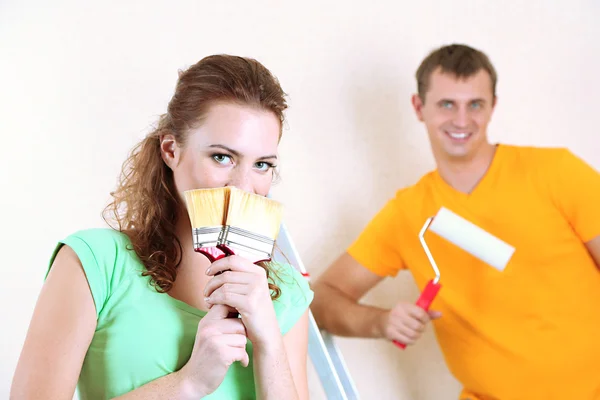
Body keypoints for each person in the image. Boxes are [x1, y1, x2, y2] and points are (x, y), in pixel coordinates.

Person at [11, 54, 313, 400]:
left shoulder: (286, 294)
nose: (244, 186)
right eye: (222, 157)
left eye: (262, 164)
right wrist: (190, 382)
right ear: (171, 150)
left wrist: (269, 341)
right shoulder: (96, 265)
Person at [310, 43, 600, 399]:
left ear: (493, 106)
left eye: (474, 104)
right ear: (419, 107)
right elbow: (321, 301)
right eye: (447, 104)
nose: (462, 120)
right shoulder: (409, 214)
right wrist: (381, 322)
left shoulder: (558, 173)